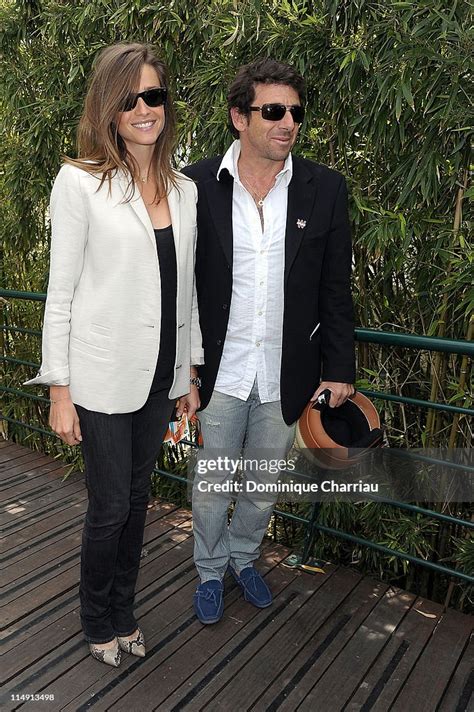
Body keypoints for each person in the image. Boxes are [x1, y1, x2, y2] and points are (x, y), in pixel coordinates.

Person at [25, 43, 203, 665]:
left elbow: (187, 292)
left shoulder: (184, 191)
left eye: (153, 95)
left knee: (139, 498)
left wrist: (189, 372)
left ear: (165, 105)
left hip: (160, 375)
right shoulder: (80, 183)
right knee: (110, 509)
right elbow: (61, 291)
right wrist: (59, 387)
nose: (143, 109)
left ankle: (126, 611)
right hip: (100, 377)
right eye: (129, 99)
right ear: (109, 107)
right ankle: (96, 617)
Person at [183, 58, 355, 624]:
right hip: (220, 371)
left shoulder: (324, 189)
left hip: (288, 372)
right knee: (211, 486)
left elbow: (335, 287)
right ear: (239, 117)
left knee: (260, 483)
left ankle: (244, 558)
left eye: (295, 113)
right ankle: (209, 571)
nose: (287, 123)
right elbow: (177, 287)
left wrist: (339, 367)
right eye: (273, 111)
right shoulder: (195, 185)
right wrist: (182, 367)